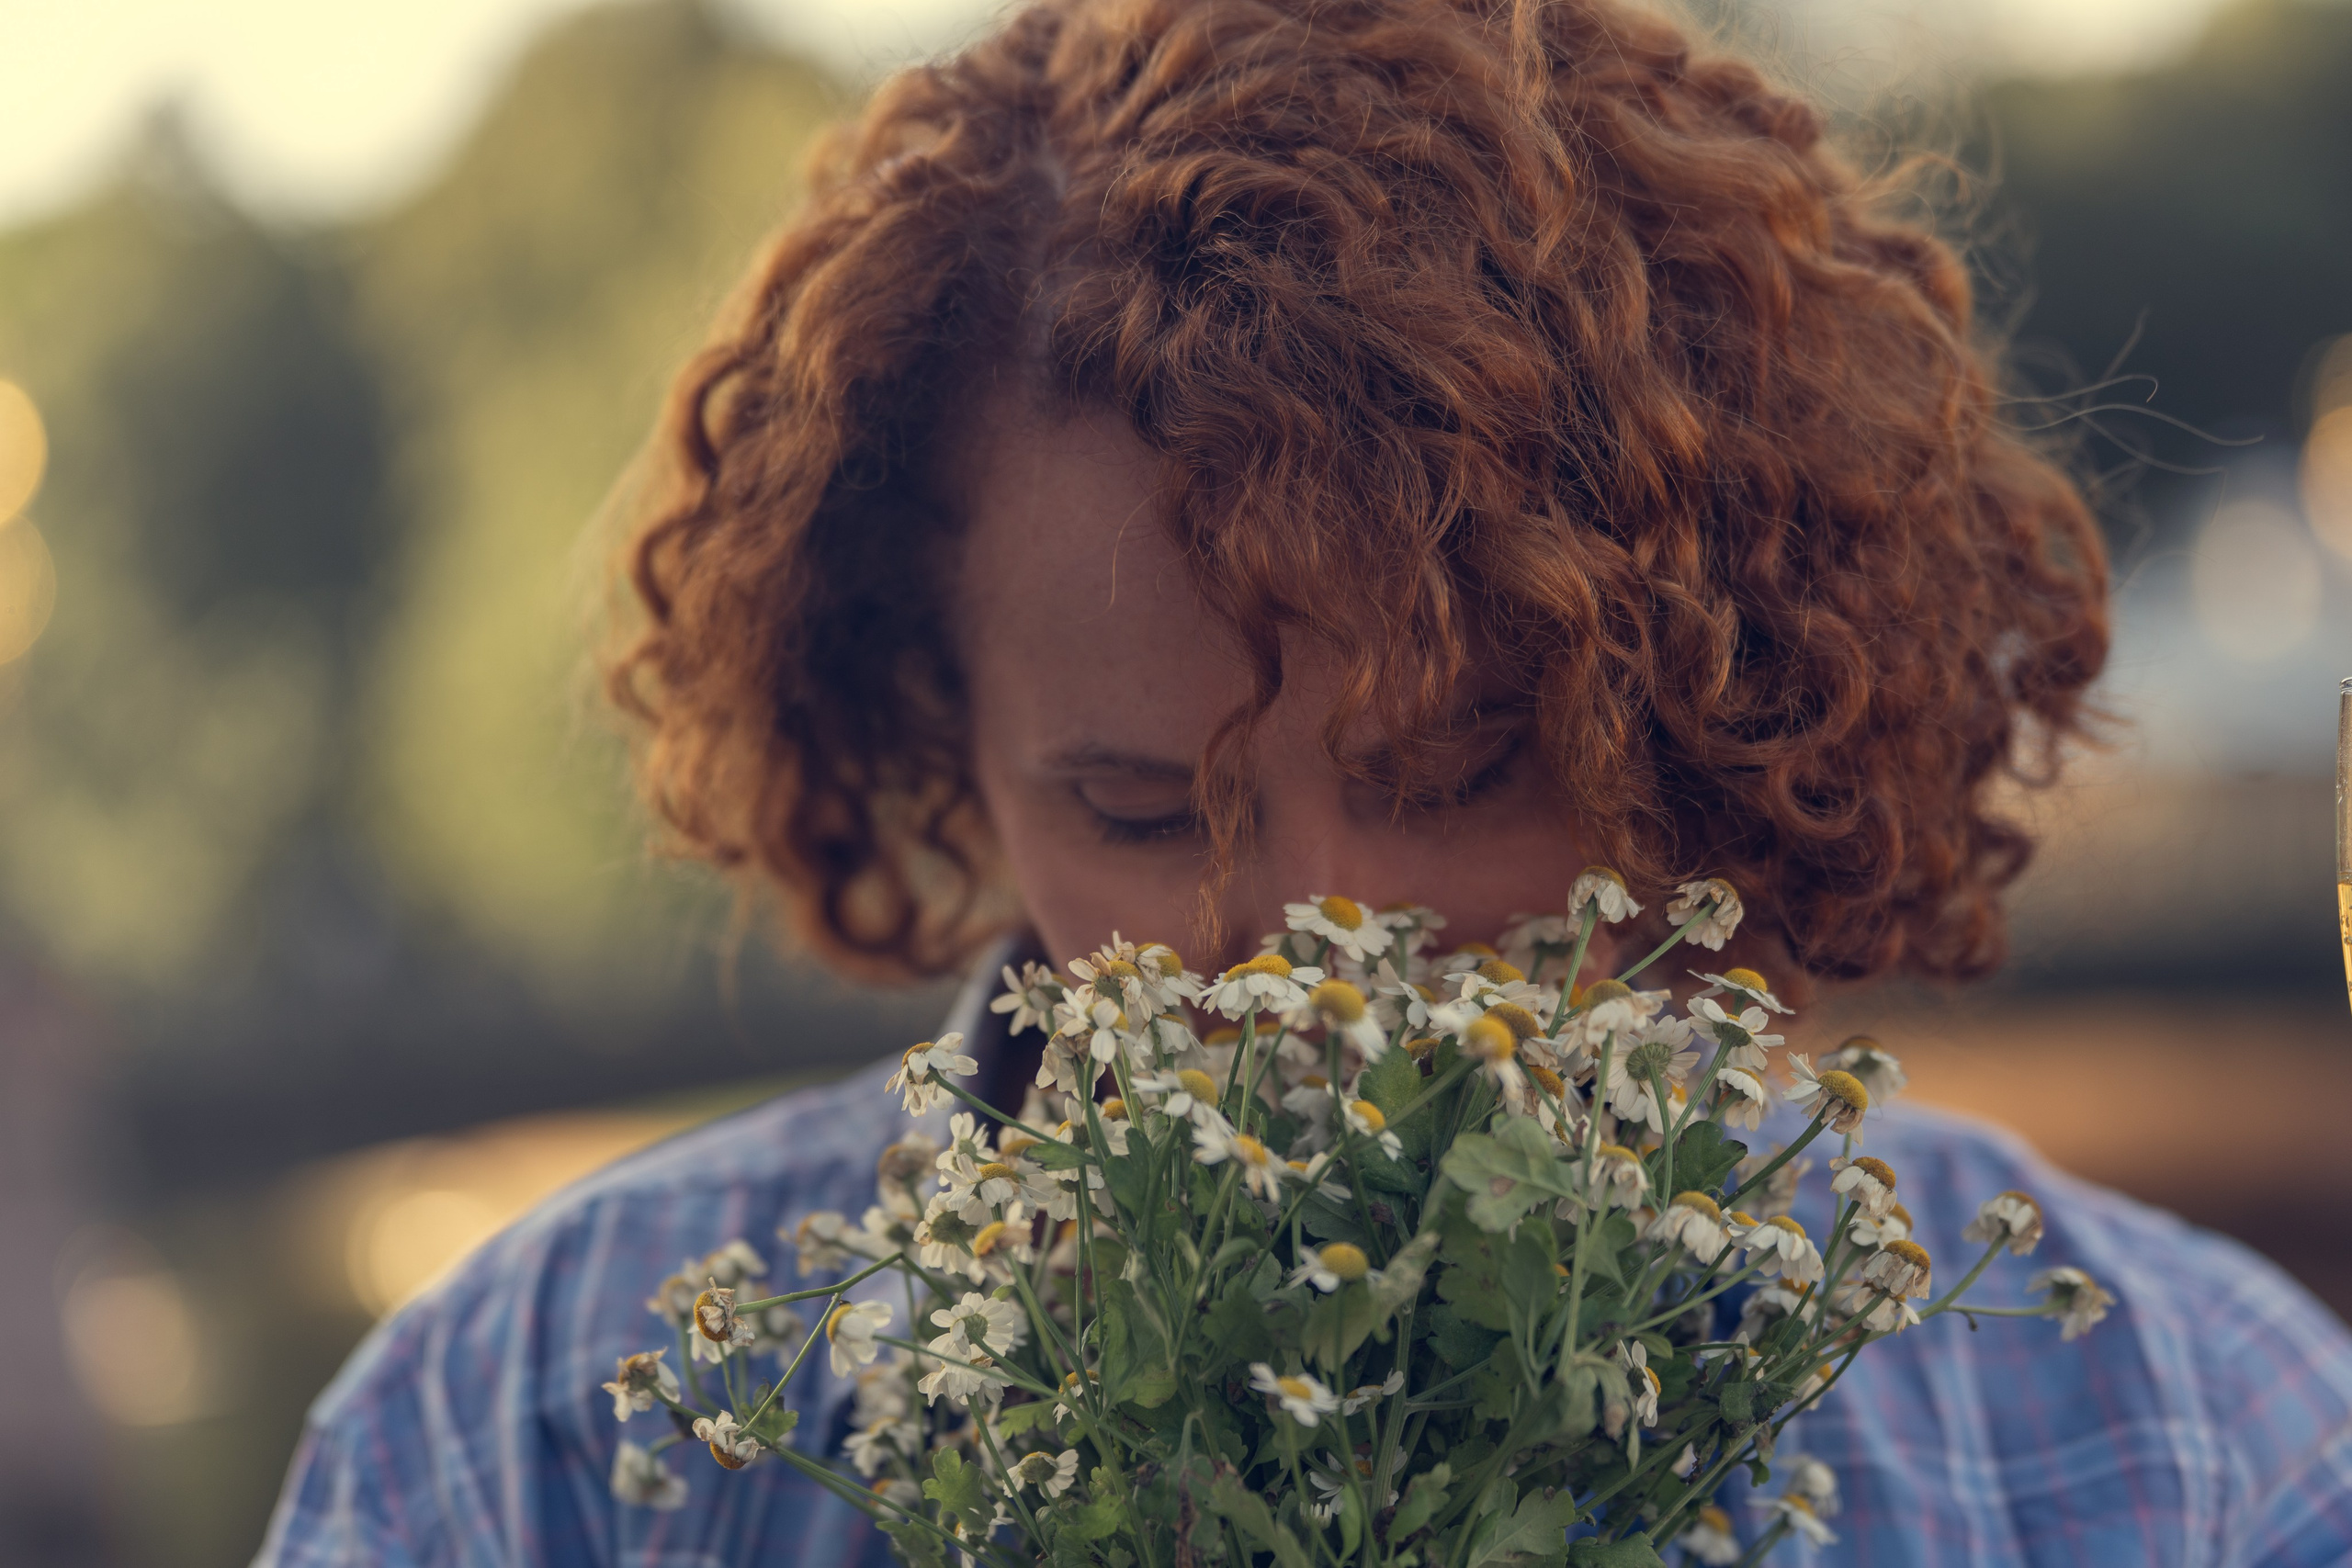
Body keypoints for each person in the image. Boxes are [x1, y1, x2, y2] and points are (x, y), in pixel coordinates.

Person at [254, 0, 2352, 1562]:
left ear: (1703, 705)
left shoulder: (2189, 1434)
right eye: (1146, 813)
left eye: (1453, 769)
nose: (1311, 957)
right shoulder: (523, 1444)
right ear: (939, 744)